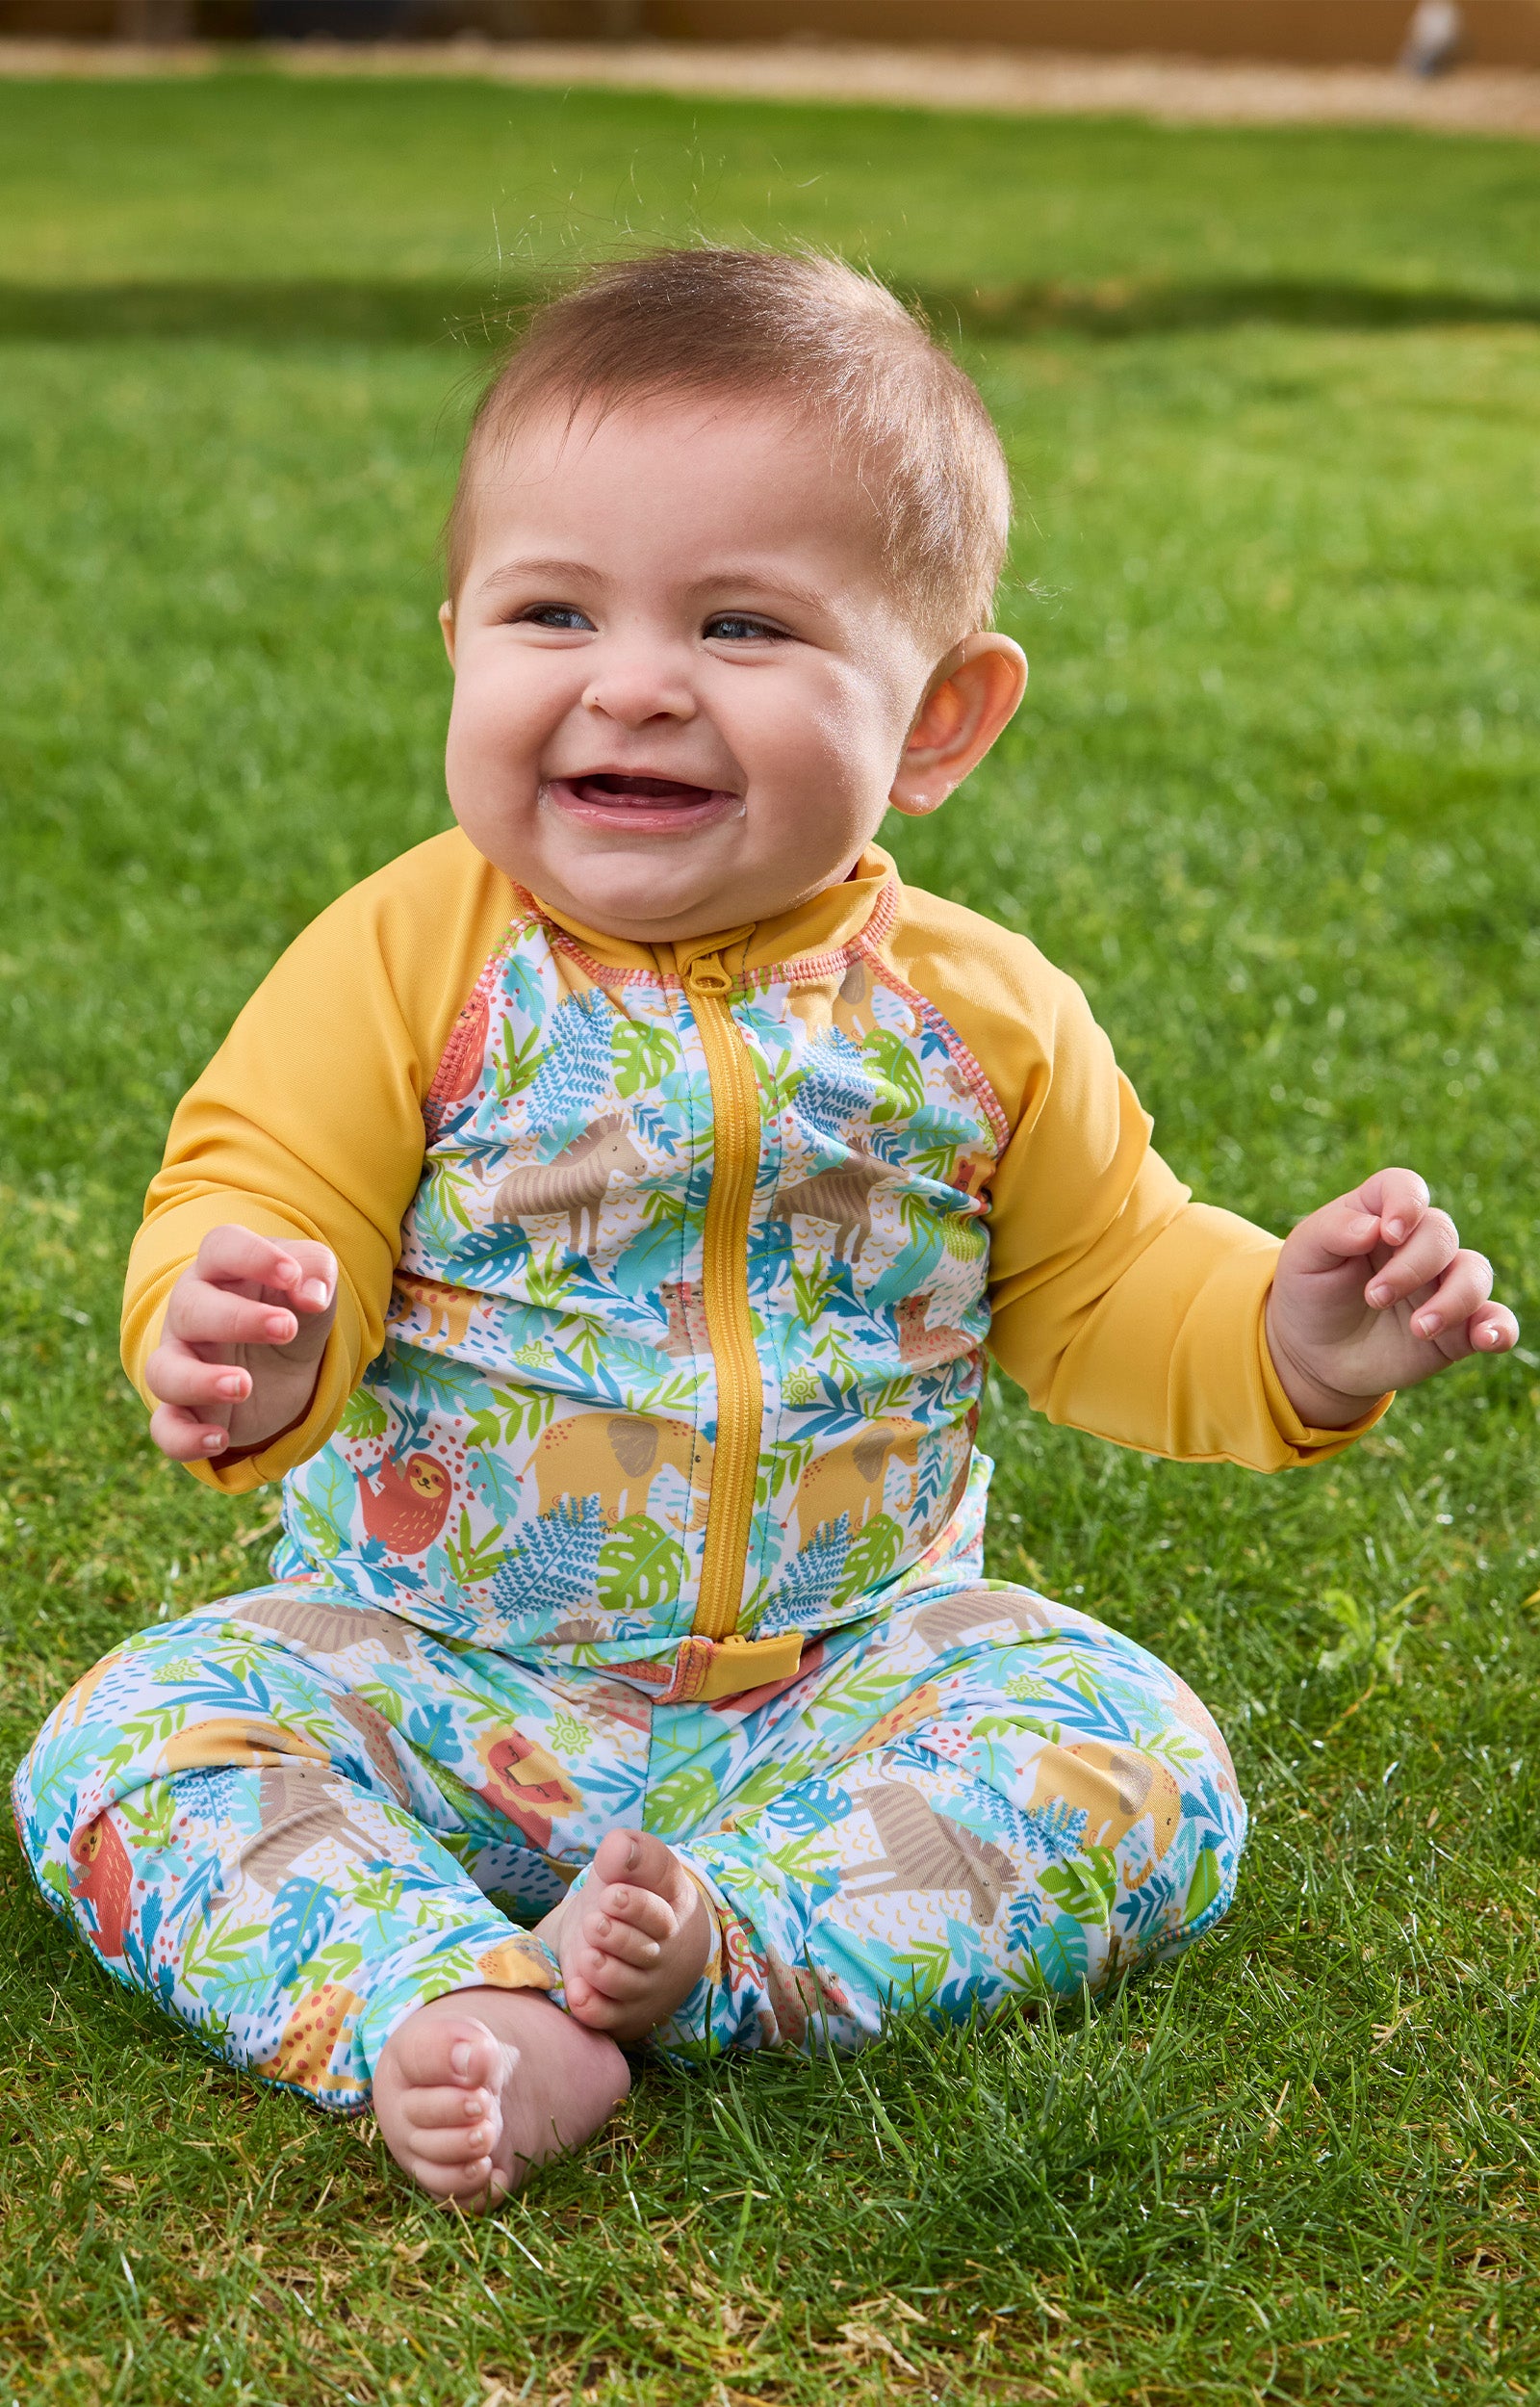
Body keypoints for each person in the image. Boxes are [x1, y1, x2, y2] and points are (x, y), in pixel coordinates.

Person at [13, 249, 1515, 2209]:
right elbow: (257, 1185)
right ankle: (441, 1997)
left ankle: (724, 1945)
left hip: (849, 1677)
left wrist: (1287, 1335)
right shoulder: (405, 957)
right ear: (458, 632)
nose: (628, 679)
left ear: (939, 720)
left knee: (1134, 1757)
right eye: (554, 609)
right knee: (125, 1739)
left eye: (739, 623)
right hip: (441, 1671)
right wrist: (240, 1335)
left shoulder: (974, 1018)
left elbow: (1103, 1280)